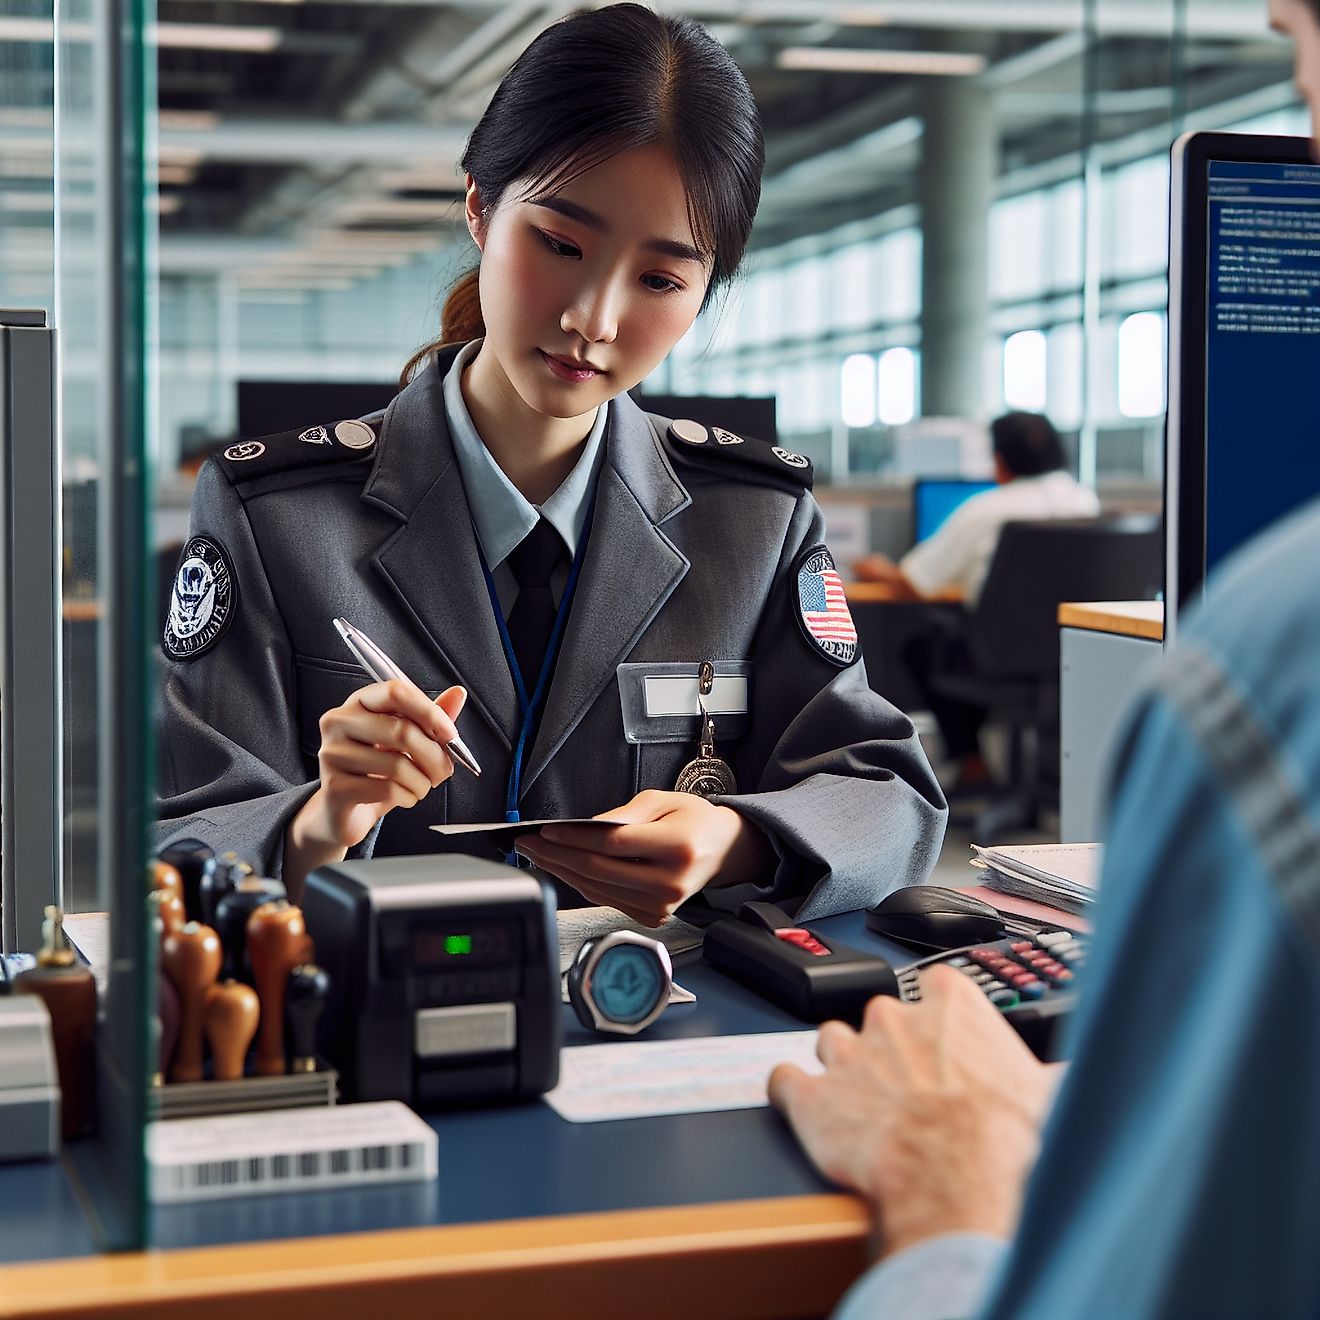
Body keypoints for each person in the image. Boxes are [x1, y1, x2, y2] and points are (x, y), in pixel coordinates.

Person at [155, 3, 947, 922]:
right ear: (481, 208)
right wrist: (318, 823)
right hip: (375, 1035)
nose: (594, 320)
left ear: (705, 293)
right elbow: (184, 842)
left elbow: (889, 799)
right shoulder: (276, 516)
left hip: (662, 1029)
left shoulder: (756, 522)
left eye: (660, 279)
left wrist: (735, 840)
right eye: (561, 245)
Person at [769, 9, 1320, 1311]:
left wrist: (956, 1182)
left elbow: (917, 589)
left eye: (1304, 57)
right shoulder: (1089, 506)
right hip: (1058, 667)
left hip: (977, 676)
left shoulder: (1269, 659)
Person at [857, 412, 1100, 798]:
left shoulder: (986, 509)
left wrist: (873, 568)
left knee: (922, 645)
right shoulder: (1085, 501)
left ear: (1000, 462)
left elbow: (914, 581)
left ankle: (973, 763)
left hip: (998, 658)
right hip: (1074, 655)